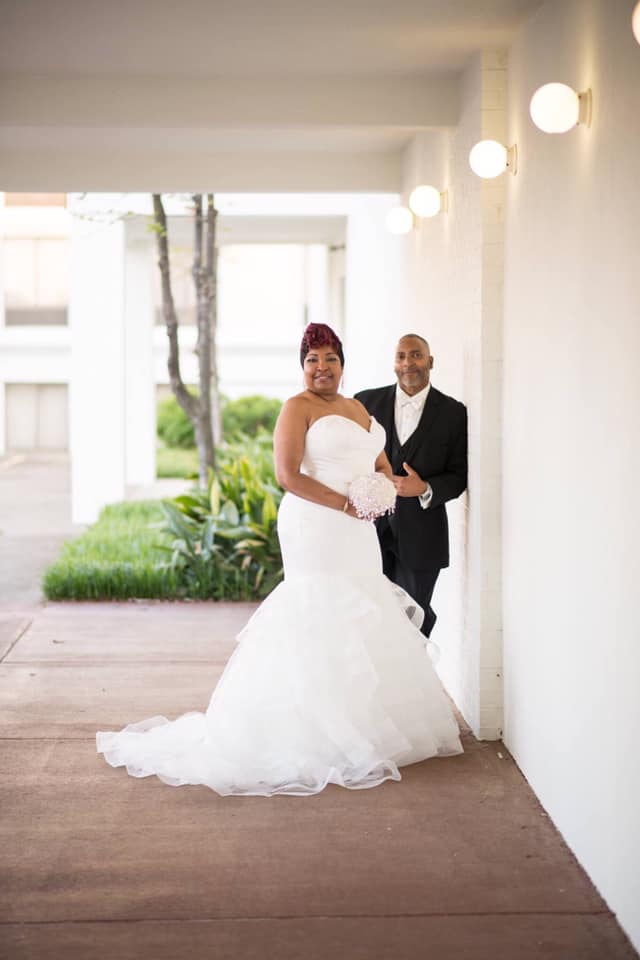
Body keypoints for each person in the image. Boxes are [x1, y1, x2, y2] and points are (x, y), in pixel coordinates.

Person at [96, 324, 462, 797]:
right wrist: (345, 504)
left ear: (342, 364)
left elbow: (379, 463)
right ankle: (310, 734)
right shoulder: (297, 408)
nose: (321, 368)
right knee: (318, 611)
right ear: (302, 367)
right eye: (312, 360)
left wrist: (380, 490)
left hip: (358, 530)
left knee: (362, 610)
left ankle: (365, 727)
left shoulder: (356, 408)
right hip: (316, 524)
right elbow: (288, 475)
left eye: (330, 359)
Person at [355, 335, 467, 639]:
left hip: (422, 537)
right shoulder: (364, 403)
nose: (408, 364)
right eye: (401, 356)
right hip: (368, 533)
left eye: (416, 355)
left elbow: (459, 475)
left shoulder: (454, 413)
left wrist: (424, 488)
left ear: (430, 362)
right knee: (368, 615)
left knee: (415, 618)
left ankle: (413, 681)